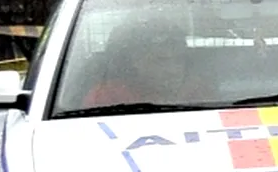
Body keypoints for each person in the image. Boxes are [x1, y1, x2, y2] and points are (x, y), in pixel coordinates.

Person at [82, 19, 211, 108]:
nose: (173, 70)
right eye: (160, 61)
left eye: (178, 60)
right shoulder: (107, 97)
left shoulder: (198, 91)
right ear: (136, 61)